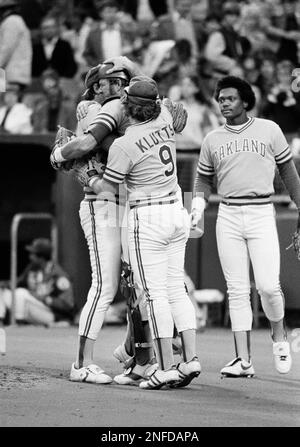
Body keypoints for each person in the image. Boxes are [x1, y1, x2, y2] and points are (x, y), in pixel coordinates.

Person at [76, 77, 201, 390]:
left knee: (155, 293)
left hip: (148, 216)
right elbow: (160, 101)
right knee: (175, 289)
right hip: (176, 210)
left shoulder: (123, 143)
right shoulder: (165, 119)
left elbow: (107, 188)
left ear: (127, 107)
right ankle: (190, 359)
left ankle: (165, 368)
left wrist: (89, 177)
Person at [191, 75, 300, 377]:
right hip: (227, 213)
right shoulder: (213, 139)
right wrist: (198, 203)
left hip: (262, 211)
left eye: (230, 98)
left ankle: (279, 337)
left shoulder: (269, 129)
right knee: (237, 289)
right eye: (221, 99)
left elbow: (289, 174)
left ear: (245, 100)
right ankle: (243, 359)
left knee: (268, 285)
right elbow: (202, 178)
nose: (224, 103)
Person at [0, 238, 75, 354]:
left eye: (33, 254)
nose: (30, 257)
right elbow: (17, 283)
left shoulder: (58, 274)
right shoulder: (32, 268)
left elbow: (68, 305)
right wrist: (4, 284)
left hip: (51, 314)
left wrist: (45, 299)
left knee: (21, 293)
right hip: (32, 307)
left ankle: (18, 324)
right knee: (3, 291)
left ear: (41, 257)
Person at [0, 0, 32, 89]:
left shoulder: (12, 21)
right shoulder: (14, 21)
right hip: (11, 74)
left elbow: (6, 49)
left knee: (8, 101)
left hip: (13, 75)